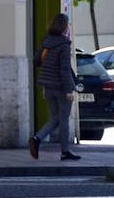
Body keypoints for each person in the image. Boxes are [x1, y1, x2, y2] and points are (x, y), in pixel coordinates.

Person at [28, 13, 80, 162]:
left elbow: (36, 60)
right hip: (61, 88)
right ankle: (65, 152)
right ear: (64, 27)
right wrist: (69, 90)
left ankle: (37, 138)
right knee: (63, 120)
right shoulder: (64, 45)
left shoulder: (46, 42)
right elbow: (64, 69)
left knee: (55, 119)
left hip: (48, 87)